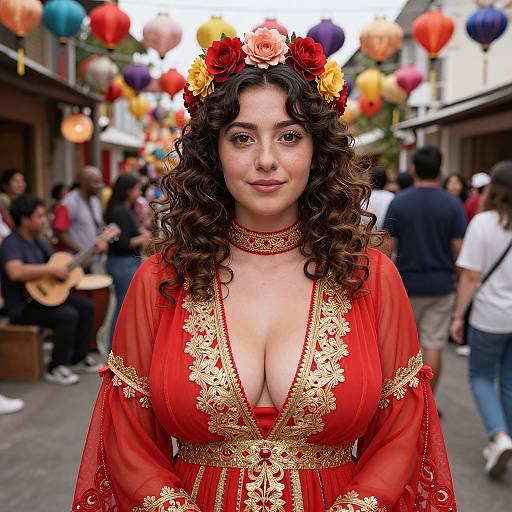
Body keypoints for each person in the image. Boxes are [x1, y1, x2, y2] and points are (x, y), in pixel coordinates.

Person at [73, 31, 455, 511]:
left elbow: (400, 431)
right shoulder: (160, 280)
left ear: (318, 151)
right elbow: (128, 439)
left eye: (289, 136)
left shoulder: (370, 277)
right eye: (242, 137)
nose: (267, 160)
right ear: (213, 151)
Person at [383, 146, 466, 395]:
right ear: (440, 171)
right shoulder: (452, 204)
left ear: (413, 169)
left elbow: (387, 247)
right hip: (440, 285)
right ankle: (429, 400)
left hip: (406, 284)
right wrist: (456, 276)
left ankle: (405, 402)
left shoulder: (399, 202)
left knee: (403, 346)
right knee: (434, 344)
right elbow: (458, 248)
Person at [451, 161, 512, 478]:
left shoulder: (484, 223)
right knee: (510, 381)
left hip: (489, 316)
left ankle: (499, 436)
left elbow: (471, 275)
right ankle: (504, 436)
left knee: (480, 376)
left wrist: (459, 315)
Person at [0, 195, 97, 385]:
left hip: (42, 299)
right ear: (25, 220)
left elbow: (60, 264)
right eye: (39, 216)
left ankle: (78, 358)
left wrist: (91, 252)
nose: (45, 220)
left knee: (86, 307)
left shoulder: (37, 240)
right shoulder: (12, 243)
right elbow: (15, 271)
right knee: (67, 315)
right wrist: (51, 270)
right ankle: (56, 367)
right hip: (21, 306)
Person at [105, 174, 150, 349]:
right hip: (122, 263)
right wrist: (142, 238)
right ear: (127, 190)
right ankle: (114, 349)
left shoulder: (122, 209)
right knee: (122, 308)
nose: (138, 192)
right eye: (136, 189)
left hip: (125, 262)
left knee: (124, 307)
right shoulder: (119, 212)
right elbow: (122, 243)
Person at [52, 166, 107, 267]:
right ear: (84, 182)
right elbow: (59, 232)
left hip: (94, 260)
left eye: (100, 181)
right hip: (76, 262)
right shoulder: (68, 202)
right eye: (95, 182)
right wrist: (81, 253)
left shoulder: (95, 201)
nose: (99, 186)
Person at [366, 166, 394, 230]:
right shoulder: (392, 198)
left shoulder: (365, 199)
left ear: (371, 180)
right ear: (386, 181)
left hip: (368, 236)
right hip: (387, 236)